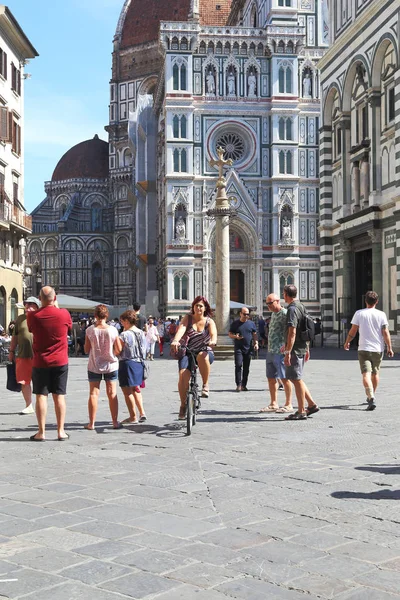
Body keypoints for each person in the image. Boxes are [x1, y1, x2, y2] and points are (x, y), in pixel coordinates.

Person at [27, 286, 72, 441]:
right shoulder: (64, 314)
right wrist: (57, 307)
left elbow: (31, 329)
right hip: (60, 361)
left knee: (41, 395)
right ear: (55, 298)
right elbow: (69, 328)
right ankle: (61, 431)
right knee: (59, 396)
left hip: (40, 362)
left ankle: (41, 432)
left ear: (40, 299)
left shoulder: (33, 316)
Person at [344, 290, 394, 411]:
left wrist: (347, 341)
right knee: (375, 373)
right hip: (378, 349)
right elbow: (385, 332)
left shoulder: (359, 313)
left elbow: (353, 330)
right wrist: (389, 347)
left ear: (365, 301)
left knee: (366, 373)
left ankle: (370, 395)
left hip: (363, 348)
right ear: (377, 301)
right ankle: (372, 395)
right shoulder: (381, 314)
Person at [171, 296, 217, 419]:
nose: (198, 308)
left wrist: (213, 341)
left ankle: (205, 385)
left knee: (202, 356)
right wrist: (176, 340)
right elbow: (182, 329)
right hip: (188, 351)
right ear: (193, 307)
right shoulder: (188, 318)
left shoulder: (209, 321)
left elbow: (213, 334)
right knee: (182, 376)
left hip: (205, 351)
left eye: (201, 306)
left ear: (205, 308)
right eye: (196, 305)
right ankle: (183, 405)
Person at [283, 284, 319, 421]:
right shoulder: (301, 306)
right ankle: (311, 405)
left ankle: (301, 410)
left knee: (295, 379)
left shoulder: (292, 309)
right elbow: (307, 327)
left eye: (283, 293)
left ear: (286, 294)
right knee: (296, 378)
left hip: (295, 348)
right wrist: (307, 347)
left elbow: (292, 332)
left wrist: (287, 351)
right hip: (302, 347)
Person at [84, 304, 123, 430]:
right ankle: (114, 422)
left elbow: (86, 349)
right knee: (112, 393)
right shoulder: (113, 330)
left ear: (95, 315)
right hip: (111, 365)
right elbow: (118, 349)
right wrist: (111, 353)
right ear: (107, 315)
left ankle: (92, 423)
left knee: (93, 393)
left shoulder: (90, 330)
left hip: (94, 365)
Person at [259, 294, 293, 413]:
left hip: (280, 351)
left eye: (270, 303)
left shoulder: (285, 313)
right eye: (267, 303)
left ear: (278, 301)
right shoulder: (273, 314)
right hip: (271, 350)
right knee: (271, 378)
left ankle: (288, 404)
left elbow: (291, 331)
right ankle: (274, 403)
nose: (268, 306)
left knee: (284, 378)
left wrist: (287, 345)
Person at [8, 297, 41, 415]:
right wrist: (11, 351)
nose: (28, 307)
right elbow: (15, 337)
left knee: (40, 382)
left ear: (37, 307)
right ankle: (29, 405)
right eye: (27, 305)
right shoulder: (20, 319)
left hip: (38, 356)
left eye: (32, 305)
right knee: (24, 381)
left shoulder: (41, 318)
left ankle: (40, 404)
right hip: (22, 355)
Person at [118, 310, 147, 424]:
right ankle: (142, 412)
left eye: (122, 321)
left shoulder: (124, 334)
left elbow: (118, 350)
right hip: (139, 363)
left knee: (127, 391)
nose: (121, 324)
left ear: (127, 321)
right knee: (136, 388)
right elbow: (145, 349)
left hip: (127, 363)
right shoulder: (141, 332)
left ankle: (133, 416)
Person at [229, 307, 258, 392]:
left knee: (246, 367)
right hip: (238, 348)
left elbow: (254, 334)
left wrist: (256, 343)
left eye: (248, 314)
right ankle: (238, 384)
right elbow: (230, 334)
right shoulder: (235, 324)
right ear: (240, 314)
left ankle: (244, 385)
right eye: (245, 314)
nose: (246, 316)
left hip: (248, 348)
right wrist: (235, 337)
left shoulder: (251, 324)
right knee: (238, 365)